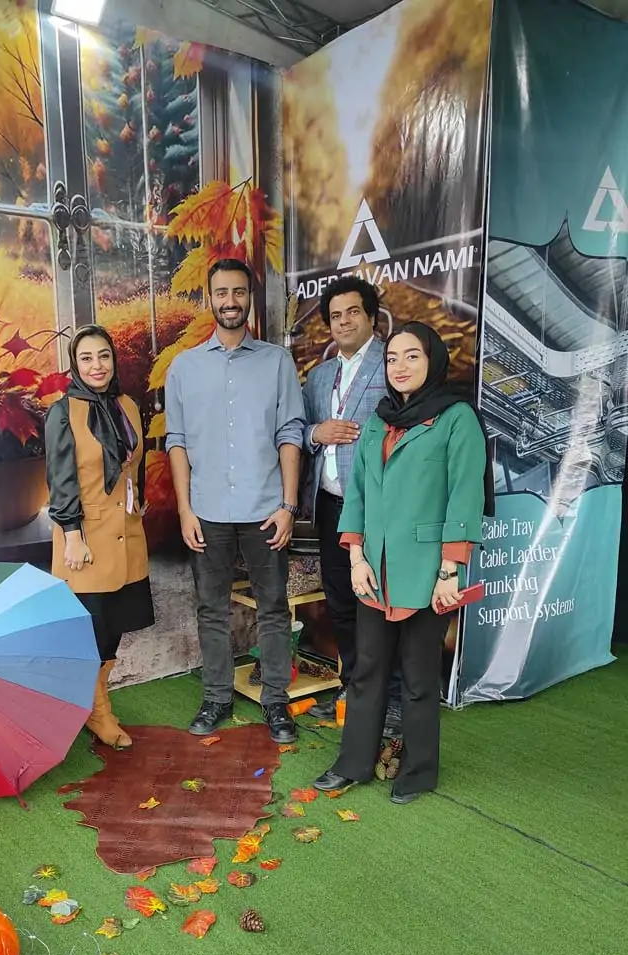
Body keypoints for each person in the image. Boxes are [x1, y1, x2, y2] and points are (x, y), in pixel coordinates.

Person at [312, 321, 491, 802]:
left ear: (432, 360)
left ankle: (418, 771)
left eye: (412, 356)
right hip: (375, 569)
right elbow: (358, 493)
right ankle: (353, 763)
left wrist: (450, 571)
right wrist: (356, 557)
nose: (400, 366)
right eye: (392, 358)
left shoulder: (456, 418)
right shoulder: (379, 419)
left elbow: (465, 497)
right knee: (367, 669)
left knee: (418, 677)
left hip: (429, 573)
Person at [165, 257, 305, 744]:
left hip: (266, 509)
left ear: (250, 299)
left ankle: (276, 701)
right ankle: (217, 697)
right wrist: (185, 509)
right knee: (212, 609)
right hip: (205, 511)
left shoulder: (277, 362)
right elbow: (177, 442)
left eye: (239, 292)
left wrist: (288, 505)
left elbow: (291, 433)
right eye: (222, 292)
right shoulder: (183, 368)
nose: (230, 301)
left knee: (273, 608)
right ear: (209, 299)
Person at [45, 324, 155, 750]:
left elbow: (134, 464)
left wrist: (138, 501)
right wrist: (72, 534)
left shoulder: (127, 405)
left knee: (115, 625)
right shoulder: (63, 412)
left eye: (104, 356)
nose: (97, 366)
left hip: (126, 533)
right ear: (75, 365)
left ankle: (95, 703)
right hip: (85, 538)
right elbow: (61, 480)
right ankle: (97, 711)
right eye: (87, 358)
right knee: (91, 630)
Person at [302, 277, 402, 729]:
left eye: (352, 312)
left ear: (372, 317)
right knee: (341, 602)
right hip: (330, 506)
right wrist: (315, 433)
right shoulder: (320, 376)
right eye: (335, 316)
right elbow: (299, 429)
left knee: (381, 603)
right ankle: (352, 689)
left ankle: (391, 699)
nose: (343, 322)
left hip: (379, 508)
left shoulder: (392, 364)